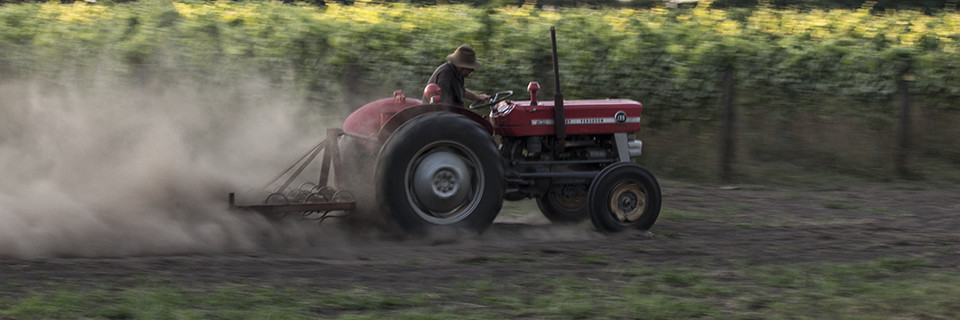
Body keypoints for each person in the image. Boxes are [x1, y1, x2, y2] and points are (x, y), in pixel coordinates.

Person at [424, 44, 490, 106]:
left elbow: (461, 90)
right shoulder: (445, 76)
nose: (473, 70)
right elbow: (444, 106)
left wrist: (478, 97)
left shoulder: (457, 74)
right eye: (470, 68)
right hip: (437, 114)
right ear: (461, 67)